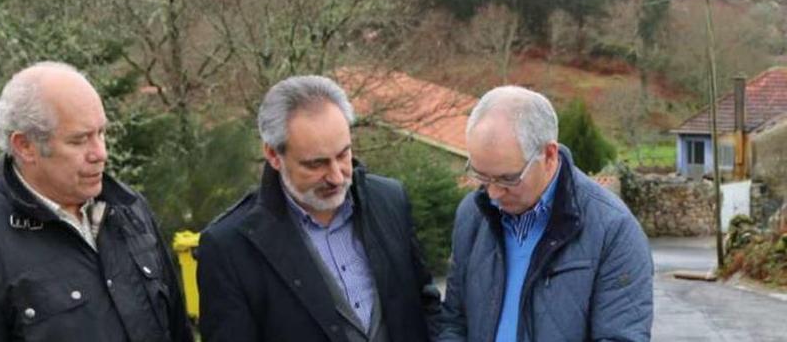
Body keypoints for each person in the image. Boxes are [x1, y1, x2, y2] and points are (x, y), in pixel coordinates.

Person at [0, 61, 193, 342]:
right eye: (79, 140)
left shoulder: (130, 209)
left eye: (102, 133)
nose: (100, 153)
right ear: (25, 146)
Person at [196, 75, 441, 342]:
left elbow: (426, 305)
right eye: (316, 164)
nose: (336, 176)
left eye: (343, 154)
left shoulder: (389, 200)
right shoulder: (229, 247)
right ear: (273, 155)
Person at [439, 86, 653, 342]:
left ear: (549, 156)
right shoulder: (472, 214)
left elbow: (621, 337)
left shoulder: (613, 230)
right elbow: (453, 322)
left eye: (508, 178)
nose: (493, 193)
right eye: (482, 176)